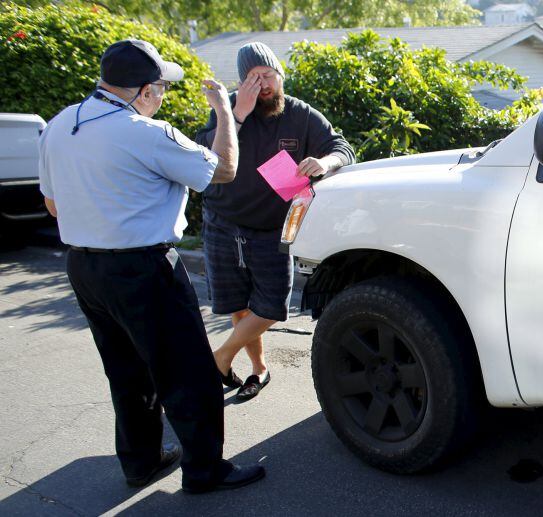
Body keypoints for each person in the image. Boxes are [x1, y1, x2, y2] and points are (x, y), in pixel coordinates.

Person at [38, 39, 265, 493]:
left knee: (126, 371)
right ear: (143, 91)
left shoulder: (62, 124)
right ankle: (204, 471)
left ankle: (140, 462)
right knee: (188, 372)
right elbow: (222, 171)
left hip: (85, 267)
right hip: (143, 268)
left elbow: (53, 206)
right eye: (160, 87)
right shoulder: (145, 131)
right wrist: (224, 112)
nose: (162, 96)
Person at [195, 42, 355, 402]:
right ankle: (259, 369)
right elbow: (204, 153)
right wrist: (236, 115)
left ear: (280, 75)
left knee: (270, 306)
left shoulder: (300, 114)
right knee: (238, 303)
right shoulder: (230, 110)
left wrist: (324, 163)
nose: (262, 85)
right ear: (241, 82)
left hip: (271, 227)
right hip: (224, 222)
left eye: (267, 76)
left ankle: (219, 356)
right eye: (253, 79)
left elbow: (342, 148)